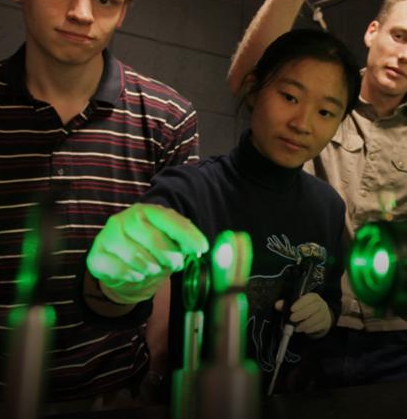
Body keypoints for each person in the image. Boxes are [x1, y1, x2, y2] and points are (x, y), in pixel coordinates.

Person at [0, 0, 199, 417]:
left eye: (104, 0)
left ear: (124, 11)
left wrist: (155, 377)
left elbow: (168, 269)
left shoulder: (169, 120)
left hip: (118, 392)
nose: (81, 14)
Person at [226, 0, 407, 385]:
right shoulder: (325, 104)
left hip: (401, 339)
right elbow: (250, 82)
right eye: (400, 36)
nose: (406, 55)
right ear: (373, 32)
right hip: (312, 322)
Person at [85, 28, 361, 393]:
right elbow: (111, 301)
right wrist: (117, 283)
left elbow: (329, 293)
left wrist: (326, 314)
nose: (303, 123)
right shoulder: (188, 191)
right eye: (290, 96)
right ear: (253, 88)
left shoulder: (328, 207)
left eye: (326, 111)